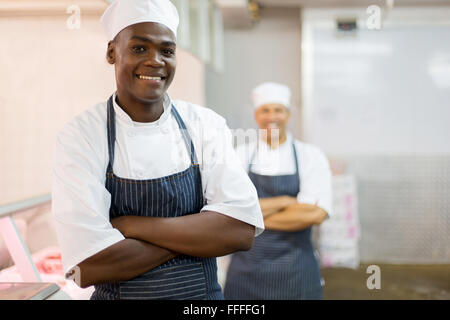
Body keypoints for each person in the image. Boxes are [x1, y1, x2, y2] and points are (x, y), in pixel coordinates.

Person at [51, 0, 264, 300]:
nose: (155, 61)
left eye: (167, 51)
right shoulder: (81, 136)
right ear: (112, 52)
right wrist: (200, 234)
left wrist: (131, 226)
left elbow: (240, 232)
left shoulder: (205, 125)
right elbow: (87, 266)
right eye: (140, 48)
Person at [223, 82, 332, 300]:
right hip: (246, 274)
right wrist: (286, 200)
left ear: (288, 115)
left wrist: (249, 218)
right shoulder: (239, 155)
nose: (272, 116)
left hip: (296, 270)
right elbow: (227, 210)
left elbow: (315, 213)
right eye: (265, 110)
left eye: (278, 110)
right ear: (256, 115)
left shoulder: (310, 156)